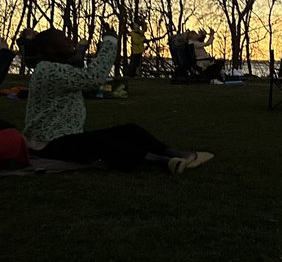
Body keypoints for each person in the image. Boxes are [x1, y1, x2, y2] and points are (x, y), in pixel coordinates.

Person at [22, 26, 213, 173]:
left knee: (128, 130)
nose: (70, 40)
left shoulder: (54, 67)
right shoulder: (47, 70)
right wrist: (110, 42)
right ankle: (163, 162)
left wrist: (81, 48)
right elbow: (93, 77)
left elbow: (78, 64)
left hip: (64, 136)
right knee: (102, 144)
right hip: (45, 143)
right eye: (65, 39)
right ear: (50, 49)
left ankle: (176, 153)